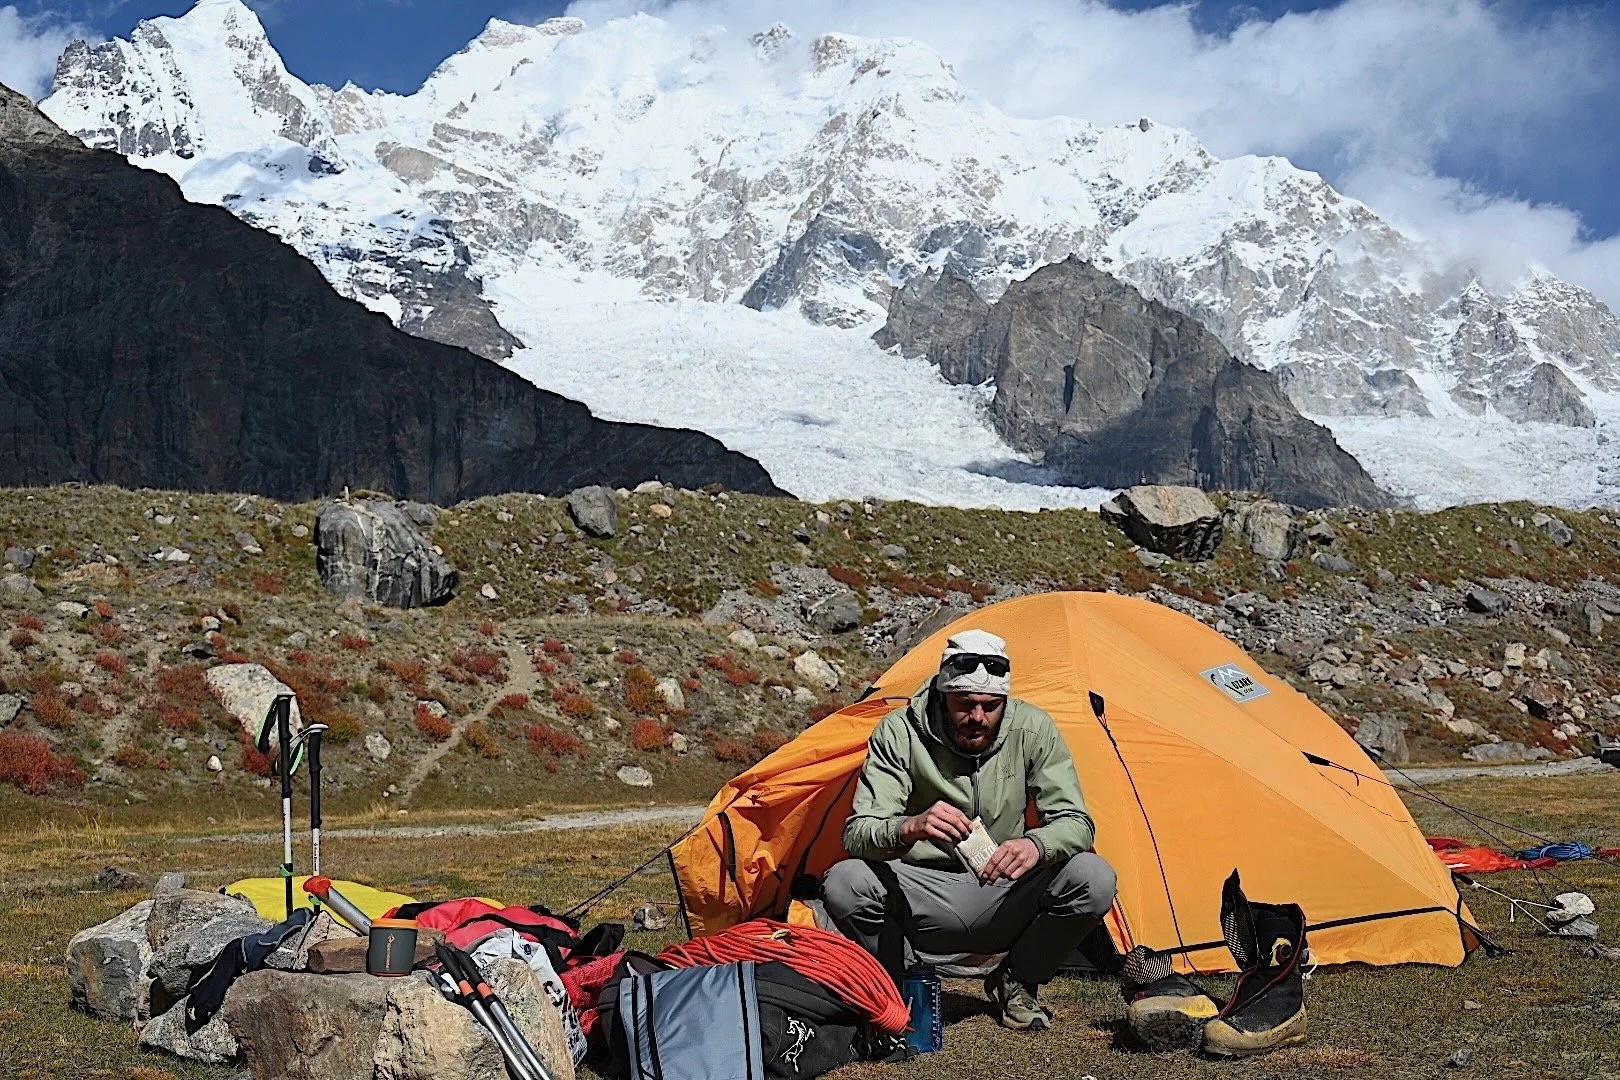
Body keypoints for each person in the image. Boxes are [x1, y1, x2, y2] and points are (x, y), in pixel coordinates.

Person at [821, 629, 1117, 1031]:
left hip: (1005, 890)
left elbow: (1077, 822)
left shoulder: (1032, 728)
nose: (977, 717)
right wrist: (910, 827)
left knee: (1093, 877)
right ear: (943, 694)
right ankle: (900, 985)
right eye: (965, 704)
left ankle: (1018, 981)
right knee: (845, 881)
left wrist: (1037, 845)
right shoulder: (898, 732)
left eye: (990, 706)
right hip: (921, 891)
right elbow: (858, 833)